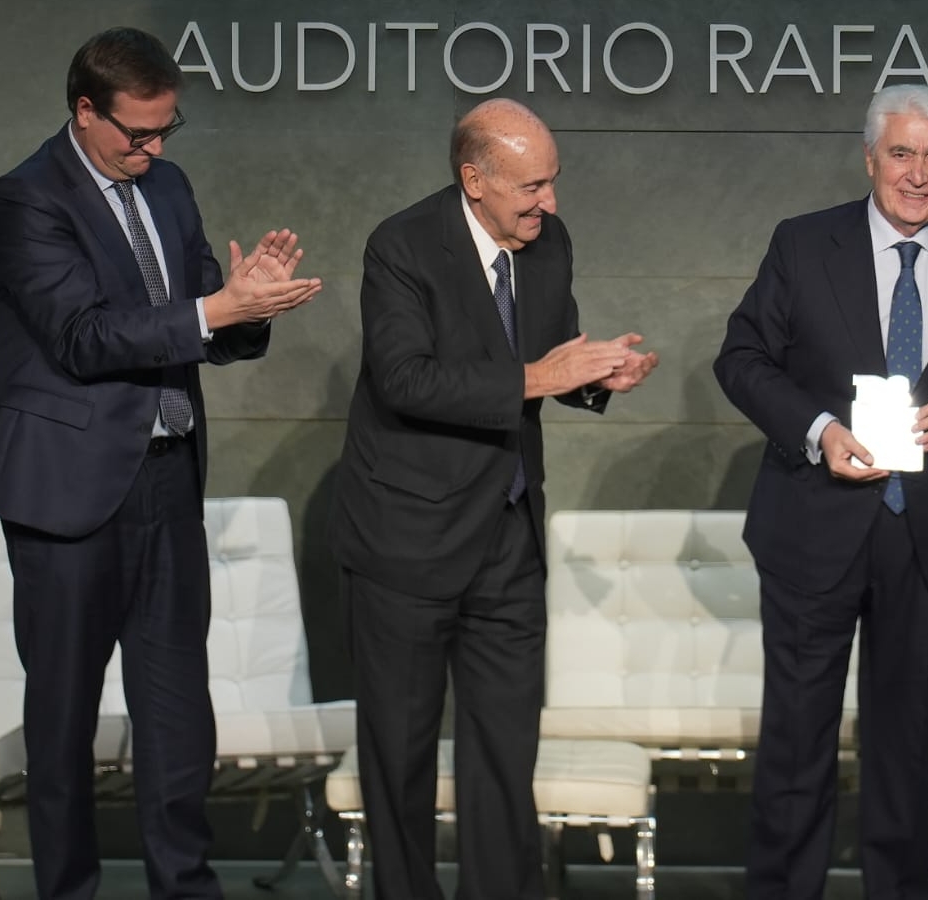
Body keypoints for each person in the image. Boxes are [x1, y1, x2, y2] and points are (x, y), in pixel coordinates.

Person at [0, 25, 323, 900]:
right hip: (66, 494)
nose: (153, 148)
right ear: (86, 112)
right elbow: (84, 339)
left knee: (176, 712)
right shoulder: (26, 198)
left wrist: (249, 308)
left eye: (167, 131)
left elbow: (204, 312)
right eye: (137, 133)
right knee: (62, 721)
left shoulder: (169, 186)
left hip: (167, 480)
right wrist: (214, 308)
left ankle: (184, 887)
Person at [713, 84, 928, 899]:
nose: (918, 174)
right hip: (811, 528)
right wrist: (818, 429)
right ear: (870, 157)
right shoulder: (803, 245)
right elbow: (742, 359)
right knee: (797, 748)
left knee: (904, 750)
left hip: (926, 536)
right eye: (901, 153)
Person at [329, 98, 658, 900]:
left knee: (505, 758)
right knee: (401, 760)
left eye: (552, 182)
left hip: (508, 540)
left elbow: (552, 355)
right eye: (531, 186)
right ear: (474, 179)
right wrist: (540, 378)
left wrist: (595, 379)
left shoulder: (549, 244)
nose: (549, 202)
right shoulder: (402, 246)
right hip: (407, 541)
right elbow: (404, 380)